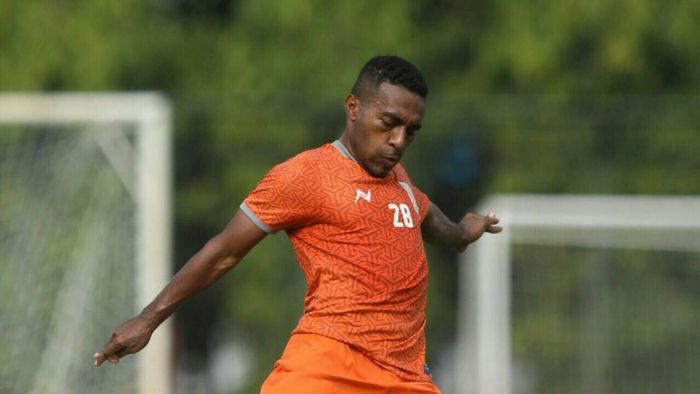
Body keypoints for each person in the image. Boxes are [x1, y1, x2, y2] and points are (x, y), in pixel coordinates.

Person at [94, 55, 502, 393]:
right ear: (353, 108)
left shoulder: (402, 185)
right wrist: (147, 320)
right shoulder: (306, 175)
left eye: (410, 131)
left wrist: (465, 231)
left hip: (405, 378)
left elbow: (432, 222)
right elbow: (223, 252)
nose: (398, 140)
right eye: (389, 122)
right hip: (328, 366)